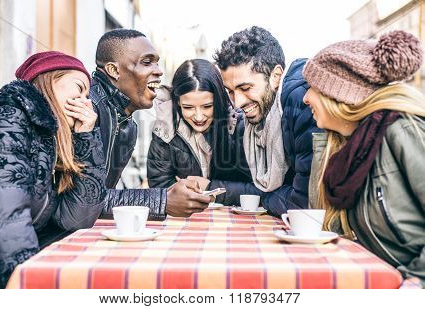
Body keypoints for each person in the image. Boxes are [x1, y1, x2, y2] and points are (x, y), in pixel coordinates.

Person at [302, 30, 425, 286]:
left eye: (312, 88)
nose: (305, 98)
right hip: (382, 281)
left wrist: (416, 281)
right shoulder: (349, 149)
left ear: (338, 94)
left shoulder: (402, 129)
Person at [0, 51, 106, 288]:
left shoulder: (49, 141)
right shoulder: (8, 117)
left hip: (10, 271)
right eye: (79, 88)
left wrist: (86, 136)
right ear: (49, 79)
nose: (85, 102)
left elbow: (77, 218)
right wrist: (31, 289)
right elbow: (5, 221)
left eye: (88, 96)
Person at [89, 29, 211, 220]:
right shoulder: (87, 108)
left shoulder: (128, 124)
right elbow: (83, 202)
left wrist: (168, 196)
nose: (159, 71)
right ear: (114, 70)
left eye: (156, 62)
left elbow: (98, 199)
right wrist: (163, 201)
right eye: (147, 62)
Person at [213, 26, 321, 215]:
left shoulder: (301, 102)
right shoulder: (256, 124)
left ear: (275, 76)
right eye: (230, 91)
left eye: (245, 88)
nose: (237, 102)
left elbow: (305, 205)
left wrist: (266, 199)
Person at [147, 59, 258, 205]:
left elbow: (260, 190)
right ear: (178, 102)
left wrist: (209, 187)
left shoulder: (240, 126)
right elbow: (159, 189)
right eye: (188, 107)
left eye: (207, 106)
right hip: (185, 220)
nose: (199, 117)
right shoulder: (164, 130)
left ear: (218, 100)